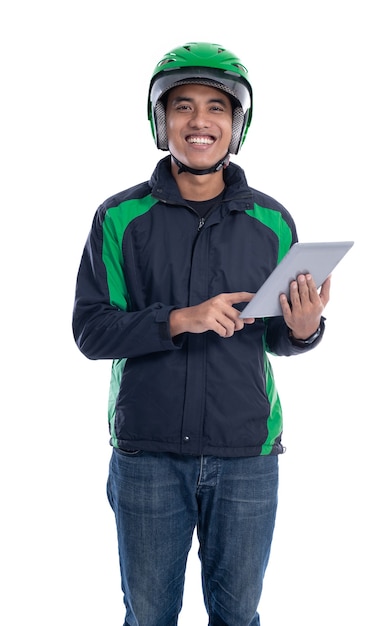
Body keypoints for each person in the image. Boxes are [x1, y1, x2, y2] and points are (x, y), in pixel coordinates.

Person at [72, 41, 331, 626]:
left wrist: (305, 327)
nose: (199, 122)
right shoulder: (118, 218)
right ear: (159, 120)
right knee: (149, 617)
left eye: (217, 107)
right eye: (182, 106)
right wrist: (178, 319)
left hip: (247, 455)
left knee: (239, 618)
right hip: (147, 454)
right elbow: (91, 331)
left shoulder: (271, 221)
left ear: (237, 125)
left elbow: (279, 338)